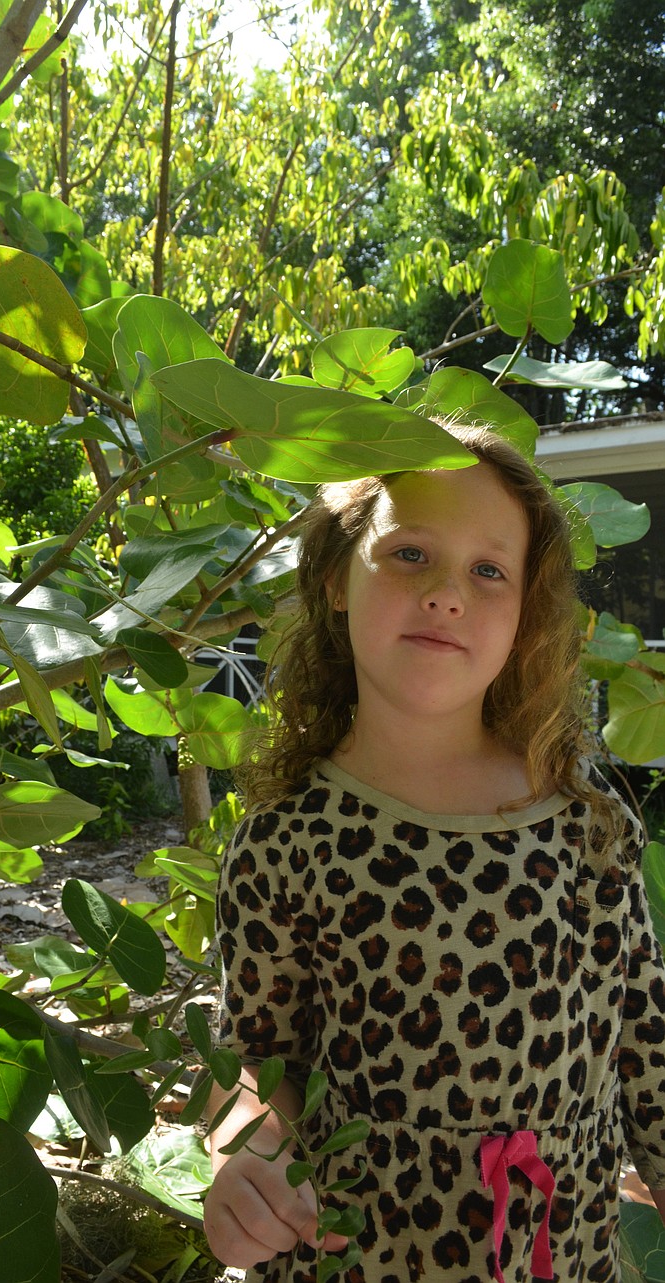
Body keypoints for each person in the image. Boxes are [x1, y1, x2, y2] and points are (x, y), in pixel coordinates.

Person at [203, 423, 665, 1283]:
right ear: (338, 578)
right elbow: (258, 1061)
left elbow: (646, 1044)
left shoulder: (585, 822)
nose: (449, 593)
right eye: (411, 553)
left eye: (490, 571)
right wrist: (248, 1158)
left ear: (525, 614)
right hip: (354, 1250)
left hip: (554, 1253)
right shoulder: (286, 840)